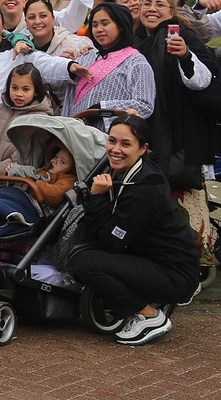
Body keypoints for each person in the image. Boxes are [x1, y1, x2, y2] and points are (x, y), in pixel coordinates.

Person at [68, 116, 199, 345]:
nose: (115, 149)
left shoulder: (143, 189)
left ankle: (150, 316)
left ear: (143, 148)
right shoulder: (137, 171)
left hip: (174, 273)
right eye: (112, 141)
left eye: (125, 144)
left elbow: (112, 242)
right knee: (90, 255)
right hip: (154, 259)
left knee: (86, 263)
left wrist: (97, 198)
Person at [136, 0, 221, 272]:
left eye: (159, 5)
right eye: (147, 3)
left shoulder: (183, 36)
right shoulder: (140, 40)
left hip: (183, 137)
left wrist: (185, 56)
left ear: (171, 11)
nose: (152, 9)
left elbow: (205, 80)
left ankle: (196, 264)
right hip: (155, 135)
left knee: (186, 197)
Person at [30, 3, 156, 129]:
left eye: (105, 23)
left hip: (110, 137)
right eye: (94, 25)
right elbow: (64, 93)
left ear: (121, 26)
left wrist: (103, 110)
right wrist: (63, 64)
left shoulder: (136, 62)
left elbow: (144, 105)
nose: (99, 29)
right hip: (76, 133)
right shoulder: (84, 56)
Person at [0, 63, 57, 190]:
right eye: (14, 88)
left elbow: (34, 156)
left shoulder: (40, 119)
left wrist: (5, 168)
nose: (19, 94)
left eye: (25, 89)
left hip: (10, 181)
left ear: (36, 91)